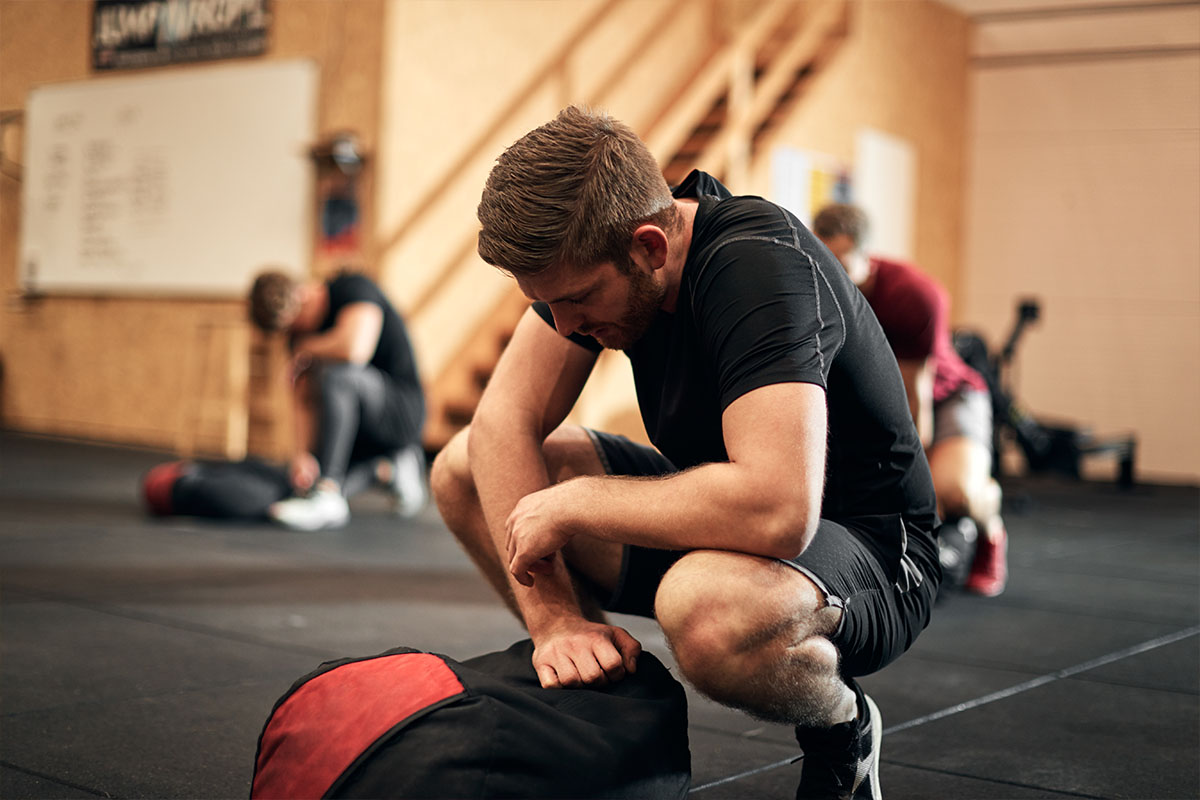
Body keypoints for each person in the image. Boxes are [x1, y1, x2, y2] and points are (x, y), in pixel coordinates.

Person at [430, 106, 941, 799]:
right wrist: (555, 621)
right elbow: (500, 426)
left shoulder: (758, 268)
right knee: (463, 468)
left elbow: (779, 510)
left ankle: (843, 727)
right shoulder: (599, 254)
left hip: (873, 551)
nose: (565, 325)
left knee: (703, 610)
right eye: (547, 306)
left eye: (576, 301)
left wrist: (578, 502)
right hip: (736, 518)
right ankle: (605, 692)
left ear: (650, 247)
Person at [812, 203, 1007, 597]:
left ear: (868, 254)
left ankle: (991, 529)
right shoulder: (814, 286)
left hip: (947, 397)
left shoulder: (914, 294)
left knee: (953, 493)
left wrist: (918, 490)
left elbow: (917, 395)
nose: (835, 275)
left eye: (844, 263)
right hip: (877, 403)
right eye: (825, 259)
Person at [248, 268, 427, 530]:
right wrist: (302, 456)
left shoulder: (353, 289)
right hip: (354, 423)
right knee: (307, 485)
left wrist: (305, 349)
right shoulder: (297, 336)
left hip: (400, 412)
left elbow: (355, 350)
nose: (297, 335)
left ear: (302, 295)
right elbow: (303, 398)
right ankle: (389, 468)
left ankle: (329, 490)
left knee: (338, 376)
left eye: (296, 324)